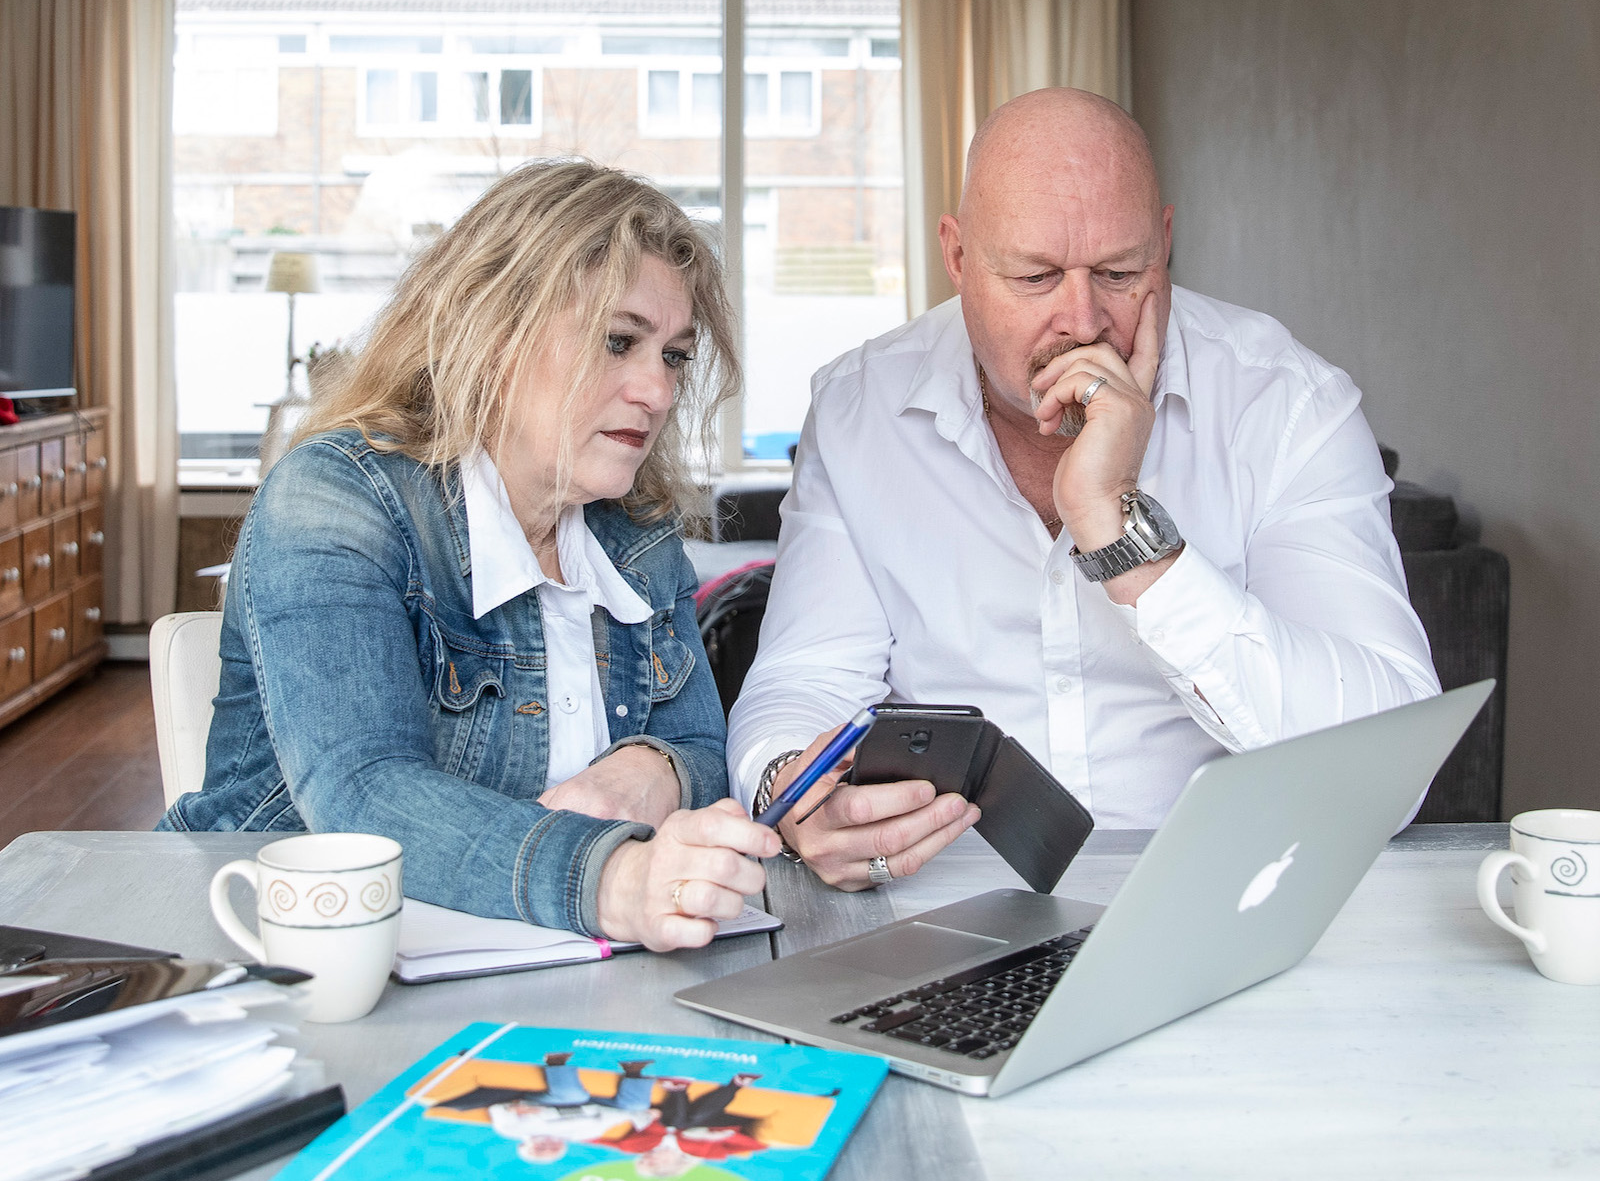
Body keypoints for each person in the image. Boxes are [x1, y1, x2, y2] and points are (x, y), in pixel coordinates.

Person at [728, 88, 1440, 890]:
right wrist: (793, 793)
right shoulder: (861, 410)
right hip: (947, 908)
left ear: (1164, 244)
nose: (1084, 320)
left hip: (1231, 901)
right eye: (1035, 277)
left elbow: (1393, 764)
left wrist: (1121, 531)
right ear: (957, 259)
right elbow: (803, 680)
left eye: (1119, 271)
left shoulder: (1285, 406)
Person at [160, 160, 780, 946]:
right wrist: (612, 879)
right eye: (618, 341)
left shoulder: (635, 533)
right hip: (270, 956)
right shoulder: (334, 499)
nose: (656, 391)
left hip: (533, 966)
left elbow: (700, 746)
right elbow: (365, 793)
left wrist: (653, 771)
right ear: (492, 335)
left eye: (673, 355)